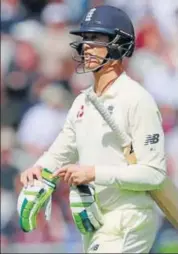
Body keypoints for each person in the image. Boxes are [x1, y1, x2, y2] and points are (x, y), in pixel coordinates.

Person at [20, 5, 166, 253]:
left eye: (96, 38)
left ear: (119, 44)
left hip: (128, 218)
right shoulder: (83, 101)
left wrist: (93, 173)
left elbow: (153, 174)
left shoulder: (136, 99)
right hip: (94, 220)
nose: (86, 45)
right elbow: (59, 152)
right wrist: (38, 170)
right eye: (85, 38)